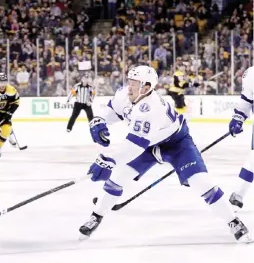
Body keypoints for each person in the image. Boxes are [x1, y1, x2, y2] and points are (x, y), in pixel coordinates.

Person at [79, 65, 252, 243]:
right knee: (117, 179)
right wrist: (99, 120)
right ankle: (96, 216)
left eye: (134, 83)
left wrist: (109, 160)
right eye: (129, 81)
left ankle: (233, 221)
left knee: (201, 182)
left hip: (177, 143)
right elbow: (113, 110)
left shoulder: (150, 108)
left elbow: (134, 145)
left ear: (146, 88)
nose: (129, 86)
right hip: (149, 144)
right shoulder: (126, 93)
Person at [228, 66, 254, 210]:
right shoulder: (252, 74)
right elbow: (246, 100)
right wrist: (238, 118)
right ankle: (238, 195)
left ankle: (238, 194)